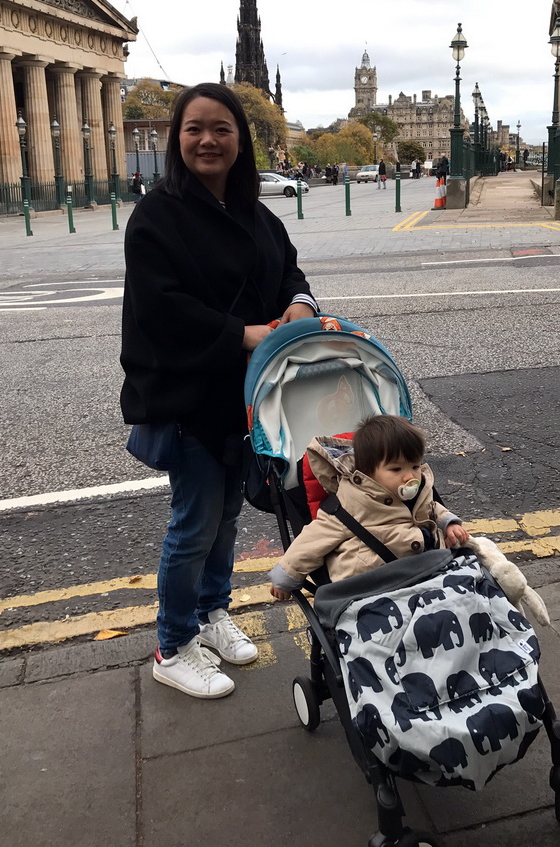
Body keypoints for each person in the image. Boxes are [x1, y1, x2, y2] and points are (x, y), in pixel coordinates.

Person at [120, 82, 318, 699]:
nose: (207, 140)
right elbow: (161, 307)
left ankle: (211, 613)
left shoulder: (257, 214)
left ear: (240, 140)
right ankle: (173, 643)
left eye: (221, 129)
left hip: (247, 399)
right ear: (177, 140)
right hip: (189, 399)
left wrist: (298, 305)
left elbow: (289, 271)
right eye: (194, 129)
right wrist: (245, 334)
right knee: (195, 523)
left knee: (228, 516)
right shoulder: (157, 216)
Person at [268, 415, 469, 598]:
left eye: (415, 466)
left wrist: (448, 523)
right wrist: (285, 578)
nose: (410, 477)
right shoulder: (350, 504)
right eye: (396, 469)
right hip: (372, 586)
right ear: (367, 472)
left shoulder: (419, 489)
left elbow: (431, 507)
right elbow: (313, 540)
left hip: (424, 573)